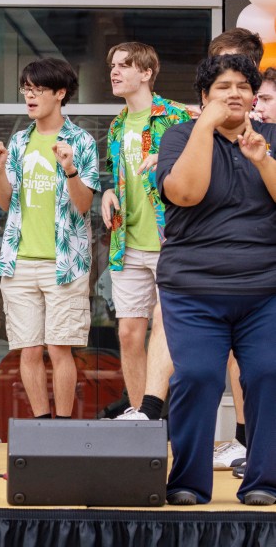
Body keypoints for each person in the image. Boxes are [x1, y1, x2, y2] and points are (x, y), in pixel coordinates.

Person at [156, 53, 276, 506]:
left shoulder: (271, 137)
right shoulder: (180, 136)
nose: (235, 94)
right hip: (193, 289)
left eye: (243, 86)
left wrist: (263, 160)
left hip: (265, 288)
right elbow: (185, 193)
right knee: (199, 377)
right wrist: (205, 127)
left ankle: (264, 481)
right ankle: (188, 481)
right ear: (204, 97)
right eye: (223, 87)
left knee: (268, 374)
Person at [0, 58, 98, 421]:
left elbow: (83, 206)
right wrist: (0, 173)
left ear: (60, 94)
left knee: (59, 348)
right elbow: (6, 203)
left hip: (64, 263)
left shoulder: (80, 141)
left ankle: (63, 428)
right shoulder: (19, 141)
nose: (29, 96)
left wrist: (70, 169)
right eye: (26, 89)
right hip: (19, 263)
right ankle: (41, 426)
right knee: (28, 350)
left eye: (38, 90)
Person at [99, 43, 191, 421]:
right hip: (127, 243)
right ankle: (141, 420)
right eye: (113, 66)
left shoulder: (178, 115)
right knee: (128, 335)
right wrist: (107, 191)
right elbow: (115, 175)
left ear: (147, 72)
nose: (115, 72)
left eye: (125, 65)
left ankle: (158, 413)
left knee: (166, 330)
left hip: (171, 242)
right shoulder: (117, 125)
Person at [207, 28, 264, 473]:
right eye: (219, 75)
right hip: (238, 266)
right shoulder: (199, 128)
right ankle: (248, 443)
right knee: (241, 360)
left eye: (239, 78)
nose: (231, 88)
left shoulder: (264, 119)